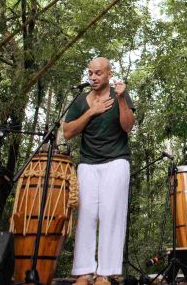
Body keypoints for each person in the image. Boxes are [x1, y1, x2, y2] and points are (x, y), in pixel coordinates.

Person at [64, 57, 136, 285]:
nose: (93, 77)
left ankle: (105, 273)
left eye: (98, 73)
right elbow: (67, 132)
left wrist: (122, 98)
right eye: (90, 73)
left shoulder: (120, 95)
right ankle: (84, 272)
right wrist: (91, 112)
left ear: (108, 74)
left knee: (111, 215)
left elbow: (128, 126)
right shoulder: (80, 100)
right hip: (88, 163)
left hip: (116, 161)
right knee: (86, 216)